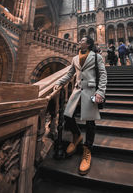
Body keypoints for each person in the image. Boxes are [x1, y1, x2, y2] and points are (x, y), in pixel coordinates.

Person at [53, 36, 107, 175]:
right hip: (77, 90)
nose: (79, 42)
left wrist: (100, 91)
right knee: (67, 115)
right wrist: (59, 82)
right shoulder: (75, 58)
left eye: (82, 41)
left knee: (90, 122)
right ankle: (77, 136)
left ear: (88, 44)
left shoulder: (96, 57)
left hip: (90, 91)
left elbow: (103, 74)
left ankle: (87, 151)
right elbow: (70, 73)